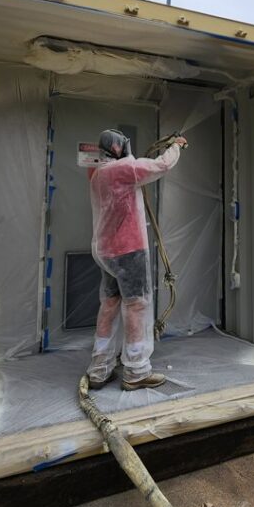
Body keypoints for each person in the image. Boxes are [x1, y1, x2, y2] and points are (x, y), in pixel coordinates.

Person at [86, 129, 187, 391]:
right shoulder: (122, 169)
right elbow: (161, 165)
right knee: (136, 306)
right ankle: (136, 371)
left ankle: (99, 369)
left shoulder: (96, 174)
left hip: (104, 251)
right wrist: (176, 145)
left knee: (109, 304)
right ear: (119, 148)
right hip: (127, 251)